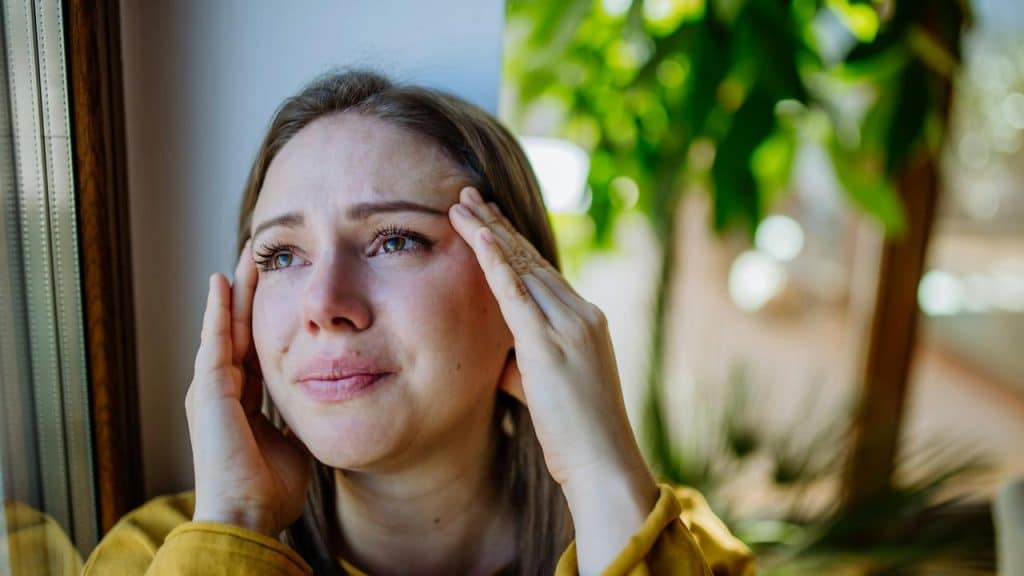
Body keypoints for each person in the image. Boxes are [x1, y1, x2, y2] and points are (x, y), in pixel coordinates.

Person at [83, 70, 754, 575]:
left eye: (395, 240)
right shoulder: (154, 555)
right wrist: (236, 524)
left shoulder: (676, 546)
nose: (323, 304)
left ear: (522, 288)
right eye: (283, 254)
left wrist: (604, 479)